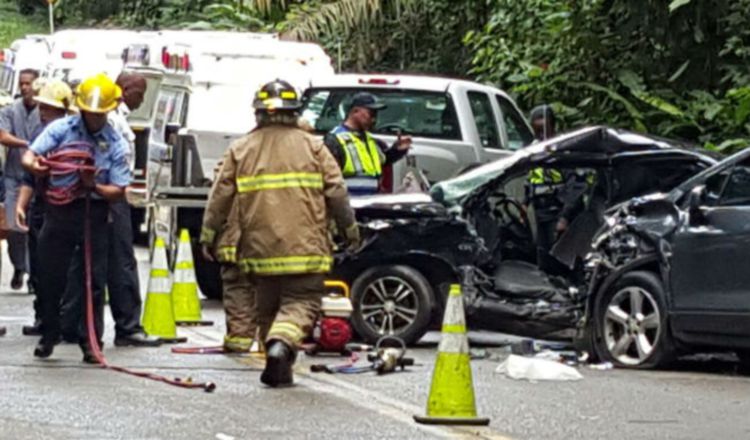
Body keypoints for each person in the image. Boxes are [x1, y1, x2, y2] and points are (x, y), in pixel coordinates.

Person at [199, 80, 359, 387]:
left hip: (259, 251)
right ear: (294, 111)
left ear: (258, 113)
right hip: (305, 249)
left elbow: (219, 197)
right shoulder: (314, 147)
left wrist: (209, 236)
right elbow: (337, 192)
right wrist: (349, 230)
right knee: (301, 303)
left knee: (268, 310)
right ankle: (280, 347)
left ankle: (279, 365)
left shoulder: (241, 149)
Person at [22, 74, 131, 363]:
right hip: (59, 210)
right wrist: (39, 168)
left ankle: (90, 342)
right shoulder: (62, 129)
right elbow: (29, 156)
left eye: (98, 114)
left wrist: (92, 184)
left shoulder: (115, 143)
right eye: (88, 112)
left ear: (108, 111)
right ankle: (50, 331)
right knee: (47, 274)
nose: (92, 118)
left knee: (92, 280)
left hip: (92, 213)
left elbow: (118, 191)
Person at [59, 73, 159, 347]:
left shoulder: (111, 117)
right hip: (108, 196)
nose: (142, 99)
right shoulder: (111, 118)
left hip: (100, 195)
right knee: (120, 262)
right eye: (140, 92)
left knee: (87, 262)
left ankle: (71, 325)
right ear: (126, 89)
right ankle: (127, 327)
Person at [16, 79, 76, 337]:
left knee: (66, 270)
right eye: (41, 109)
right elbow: (28, 177)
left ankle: (67, 321)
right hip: (41, 209)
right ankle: (45, 318)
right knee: (41, 268)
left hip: (67, 210)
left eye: (49, 110)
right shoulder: (39, 139)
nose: (43, 114)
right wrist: (21, 206)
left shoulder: (74, 138)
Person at [323, 92, 411, 195]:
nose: (374, 119)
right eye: (371, 113)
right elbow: (329, 178)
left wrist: (397, 150)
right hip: (349, 203)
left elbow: (381, 161)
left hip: (370, 204)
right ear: (355, 111)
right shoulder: (335, 140)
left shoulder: (370, 140)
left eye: (376, 114)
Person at [0, 68, 41, 291]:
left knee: (35, 230)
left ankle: (34, 276)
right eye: (22, 83)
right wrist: (28, 145)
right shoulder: (10, 111)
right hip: (14, 177)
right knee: (15, 228)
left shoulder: (44, 110)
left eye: (29, 83)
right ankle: (19, 266)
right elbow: (3, 135)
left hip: (38, 178)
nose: (25, 87)